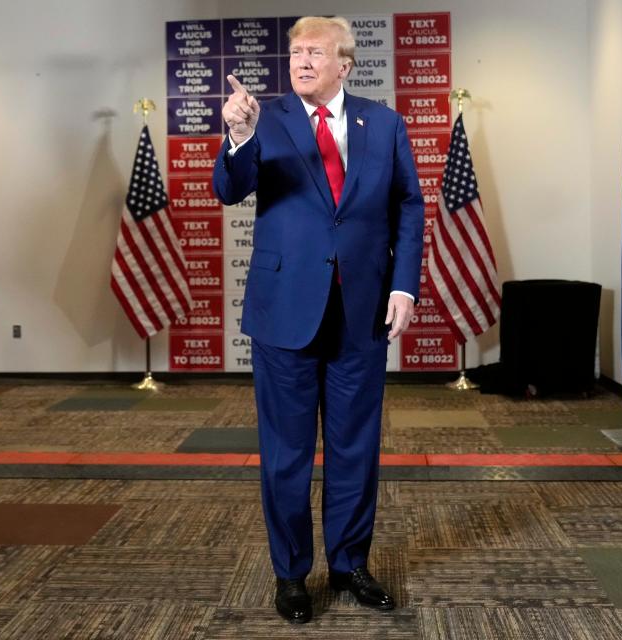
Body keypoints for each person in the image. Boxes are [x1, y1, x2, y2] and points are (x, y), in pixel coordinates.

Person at [212, 16, 424, 624]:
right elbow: (229, 189)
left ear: (345, 65)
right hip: (285, 315)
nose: (301, 61)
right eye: (295, 52)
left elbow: (408, 205)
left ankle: (351, 564)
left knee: (356, 448)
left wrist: (404, 284)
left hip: (361, 312)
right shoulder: (263, 119)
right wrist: (238, 136)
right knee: (286, 454)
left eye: (315, 52)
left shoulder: (382, 123)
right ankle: (291, 574)